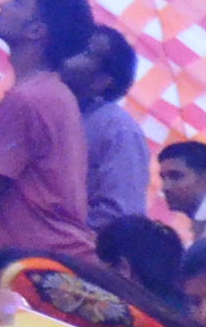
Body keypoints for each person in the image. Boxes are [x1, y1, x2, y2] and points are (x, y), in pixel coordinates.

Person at [0, 0, 98, 267]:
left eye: (18, 1)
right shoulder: (55, 94)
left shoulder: (27, 99)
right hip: (57, 258)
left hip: (32, 263)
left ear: (36, 31)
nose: (3, 4)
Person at [63, 27, 148, 235]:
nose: (67, 54)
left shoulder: (117, 128)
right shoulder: (48, 108)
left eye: (84, 51)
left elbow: (121, 214)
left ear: (101, 81)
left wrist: (60, 236)